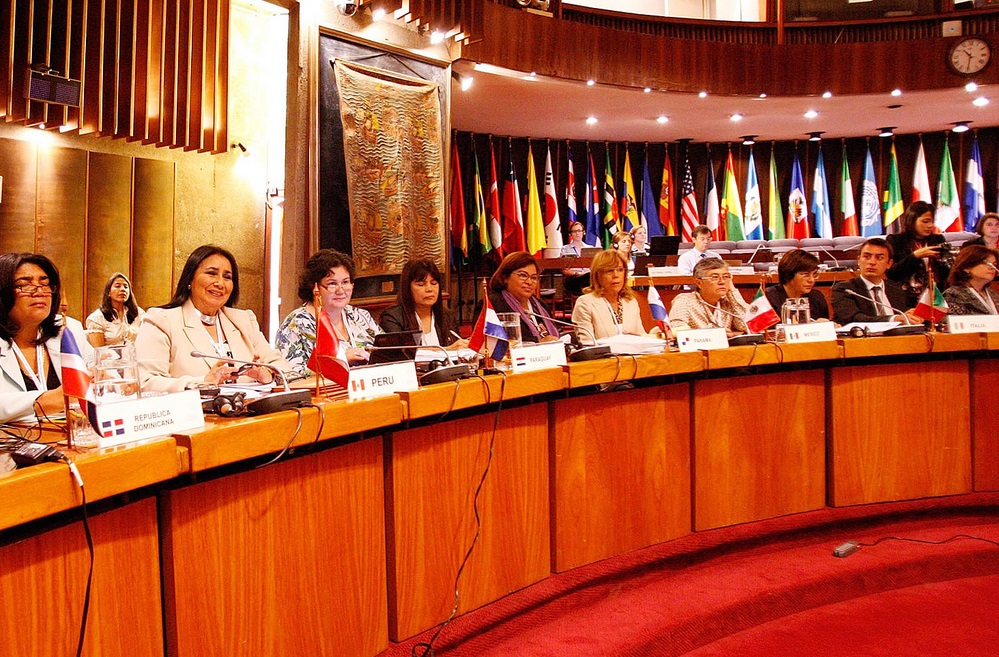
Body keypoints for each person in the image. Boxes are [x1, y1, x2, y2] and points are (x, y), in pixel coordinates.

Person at [136, 245, 291, 393]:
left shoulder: (243, 320)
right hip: (197, 416)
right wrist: (203, 383)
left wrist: (268, 375)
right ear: (190, 279)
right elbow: (145, 382)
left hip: (247, 415)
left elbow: (283, 366)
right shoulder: (161, 321)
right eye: (211, 273)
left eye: (227, 277)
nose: (220, 283)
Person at [276, 249, 382, 374]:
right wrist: (340, 361)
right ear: (314, 287)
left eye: (345, 282)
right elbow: (288, 375)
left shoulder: (361, 316)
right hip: (324, 392)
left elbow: (388, 352)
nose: (341, 290)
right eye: (332, 284)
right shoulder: (296, 323)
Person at [0, 253, 75, 422]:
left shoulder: (68, 331)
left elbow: (102, 377)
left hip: (67, 440)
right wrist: (47, 401)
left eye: (45, 284)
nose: (39, 291)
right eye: (24, 285)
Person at [572, 250, 660, 343]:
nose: (616, 275)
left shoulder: (630, 301)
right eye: (609, 271)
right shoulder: (585, 304)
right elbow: (587, 345)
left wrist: (657, 334)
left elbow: (640, 337)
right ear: (598, 275)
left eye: (620, 270)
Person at [380, 258, 468, 349]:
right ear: (407, 288)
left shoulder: (447, 317)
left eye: (434, 283)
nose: (429, 289)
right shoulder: (393, 318)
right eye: (421, 285)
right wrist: (447, 350)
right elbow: (402, 354)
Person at [832, 238, 922, 325]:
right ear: (858, 260)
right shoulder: (845, 289)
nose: (872, 262)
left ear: (889, 264)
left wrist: (911, 316)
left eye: (879, 258)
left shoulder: (896, 289)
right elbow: (855, 319)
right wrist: (894, 319)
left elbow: (904, 316)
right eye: (867, 257)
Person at [886, 200, 950, 309]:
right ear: (912, 220)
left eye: (932, 221)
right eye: (925, 221)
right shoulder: (896, 240)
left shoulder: (938, 239)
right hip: (906, 296)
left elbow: (946, 273)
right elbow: (892, 273)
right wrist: (915, 256)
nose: (930, 226)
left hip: (935, 296)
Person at [488, 251, 560, 344]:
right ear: (505, 277)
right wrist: (538, 342)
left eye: (534, 277)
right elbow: (492, 342)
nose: (529, 282)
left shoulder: (540, 306)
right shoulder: (493, 304)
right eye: (523, 275)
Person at [668, 257, 749, 337]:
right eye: (715, 277)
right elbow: (676, 329)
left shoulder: (729, 302)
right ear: (699, 283)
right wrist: (713, 334)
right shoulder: (685, 301)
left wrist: (732, 290)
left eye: (725, 277)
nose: (722, 282)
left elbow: (746, 325)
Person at [764, 249, 830, 321]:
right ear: (789, 274)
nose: (812, 280)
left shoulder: (817, 297)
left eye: (814, 274)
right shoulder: (768, 298)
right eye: (805, 274)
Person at [85, 272, 144, 347]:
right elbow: (99, 352)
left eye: (126, 287)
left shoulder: (139, 313)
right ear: (109, 292)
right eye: (117, 286)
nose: (123, 289)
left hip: (137, 357)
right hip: (110, 357)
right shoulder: (97, 318)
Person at [943, 245, 999, 315]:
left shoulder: (992, 294)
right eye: (985, 263)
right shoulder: (954, 294)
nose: (992, 267)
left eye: (994, 264)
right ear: (967, 268)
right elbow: (956, 322)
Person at [560, 221, 591, 297]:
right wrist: (576, 274)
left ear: (583, 232)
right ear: (571, 234)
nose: (577, 233)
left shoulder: (590, 248)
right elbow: (564, 270)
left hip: (588, 277)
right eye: (574, 231)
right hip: (574, 278)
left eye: (579, 231)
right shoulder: (565, 249)